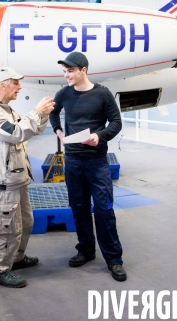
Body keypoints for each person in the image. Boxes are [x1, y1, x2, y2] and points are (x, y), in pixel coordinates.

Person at [48, 52, 126, 282]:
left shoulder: (102, 94)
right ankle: (86, 250)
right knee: (79, 207)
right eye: (64, 72)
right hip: (73, 160)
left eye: (70, 71)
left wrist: (99, 136)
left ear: (83, 70)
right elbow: (54, 113)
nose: (66, 76)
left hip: (96, 162)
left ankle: (114, 259)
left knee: (104, 209)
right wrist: (59, 132)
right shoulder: (63, 93)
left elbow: (116, 122)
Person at [0, 67, 55, 288]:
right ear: (2, 85)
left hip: (18, 179)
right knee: (8, 228)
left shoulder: (8, 111)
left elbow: (31, 127)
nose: (19, 87)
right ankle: (0, 270)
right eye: (15, 83)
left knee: (25, 222)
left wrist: (43, 114)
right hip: (5, 184)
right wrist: (36, 111)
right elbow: (17, 133)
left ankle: (17, 258)